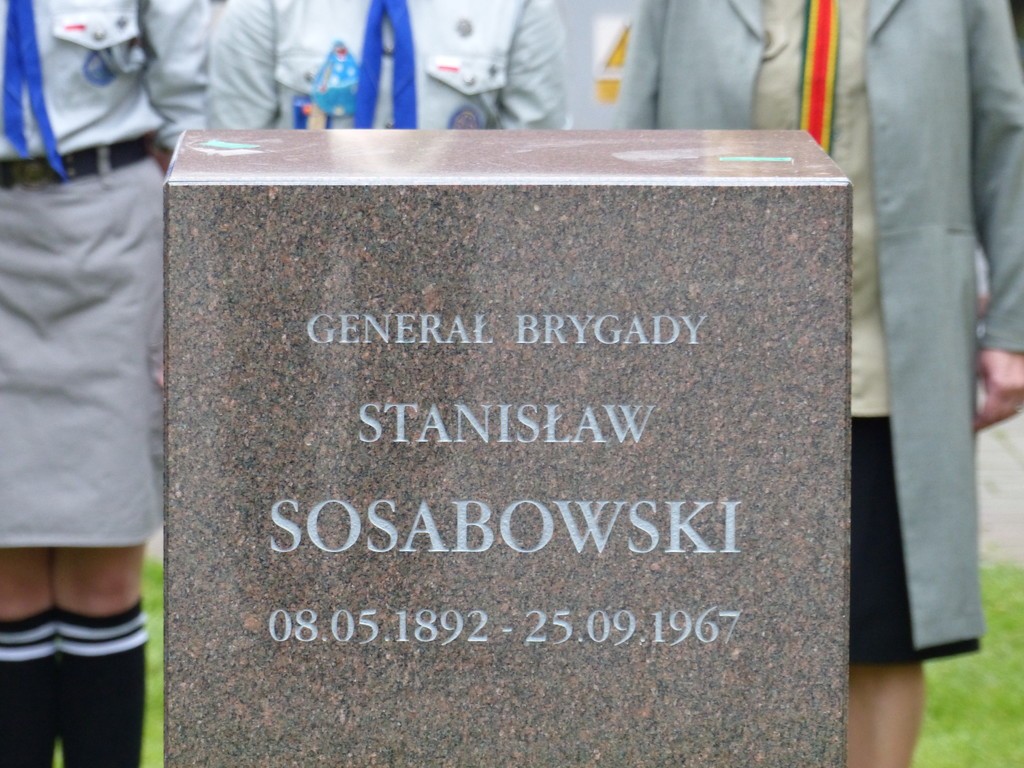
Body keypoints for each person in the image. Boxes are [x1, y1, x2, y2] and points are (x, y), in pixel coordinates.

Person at [615, 2, 1024, 767]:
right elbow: (629, 145)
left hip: (886, 361)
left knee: (882, 632)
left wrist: (1013, 328)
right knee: (716, 626)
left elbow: (1008, 142)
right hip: (717, 358)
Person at [0, 1, 207, 765]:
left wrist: (194, 289)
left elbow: (191, 116)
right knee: (5, 579)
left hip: (112, 236)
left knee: (105, 571)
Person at [208, 0, 567, 131]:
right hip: (306, 259)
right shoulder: (262, 8)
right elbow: (235, 169)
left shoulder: (519, 7)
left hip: (469, 257)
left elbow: (538, 175)